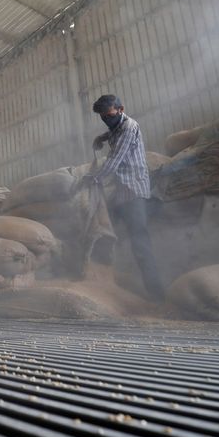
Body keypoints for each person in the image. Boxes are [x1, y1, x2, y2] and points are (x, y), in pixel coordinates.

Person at [82, 95, 165, 301]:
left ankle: (157, 294)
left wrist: (95, 178)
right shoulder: (117, 127)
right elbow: (112, 133)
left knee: (140, 243)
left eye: (109, 115)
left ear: (121, 109)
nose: (106, 120)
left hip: (134, 191)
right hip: (121, 192)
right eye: (103, 117)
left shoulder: (129, 128)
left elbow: (114, 160)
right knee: (107, 233)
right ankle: (109, 281)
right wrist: (101, 138)